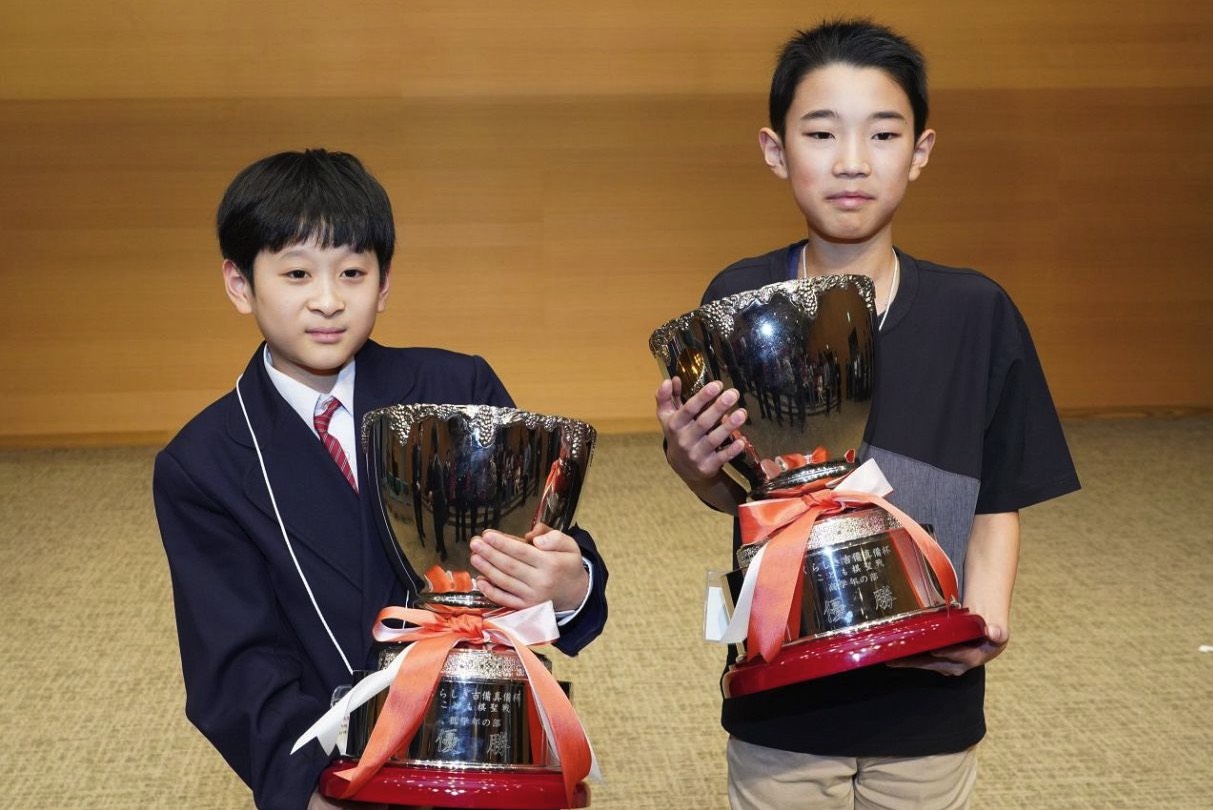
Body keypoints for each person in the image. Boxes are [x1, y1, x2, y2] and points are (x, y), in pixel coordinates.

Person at [654, 20, 1079, 809]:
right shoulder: (739, 302)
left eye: (882, 134)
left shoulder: (974, 311)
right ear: (776, 149)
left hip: (928, 698)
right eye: (821, 133)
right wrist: (693, 467)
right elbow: (735, 495)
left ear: (919, 151)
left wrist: (988, 616)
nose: (851, 161)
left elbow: (998, 494)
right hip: (782, 698)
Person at [153, 149, 608, 809]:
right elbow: (233, 663)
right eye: (297, 273)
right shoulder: (205, 463)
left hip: (492, 748)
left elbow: (543, 541)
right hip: (344, 774)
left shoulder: (457, 388)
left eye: (353, 272)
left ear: (384, 283)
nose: (329, 300)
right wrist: (309, 787)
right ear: (239, 284)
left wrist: (568, 584)